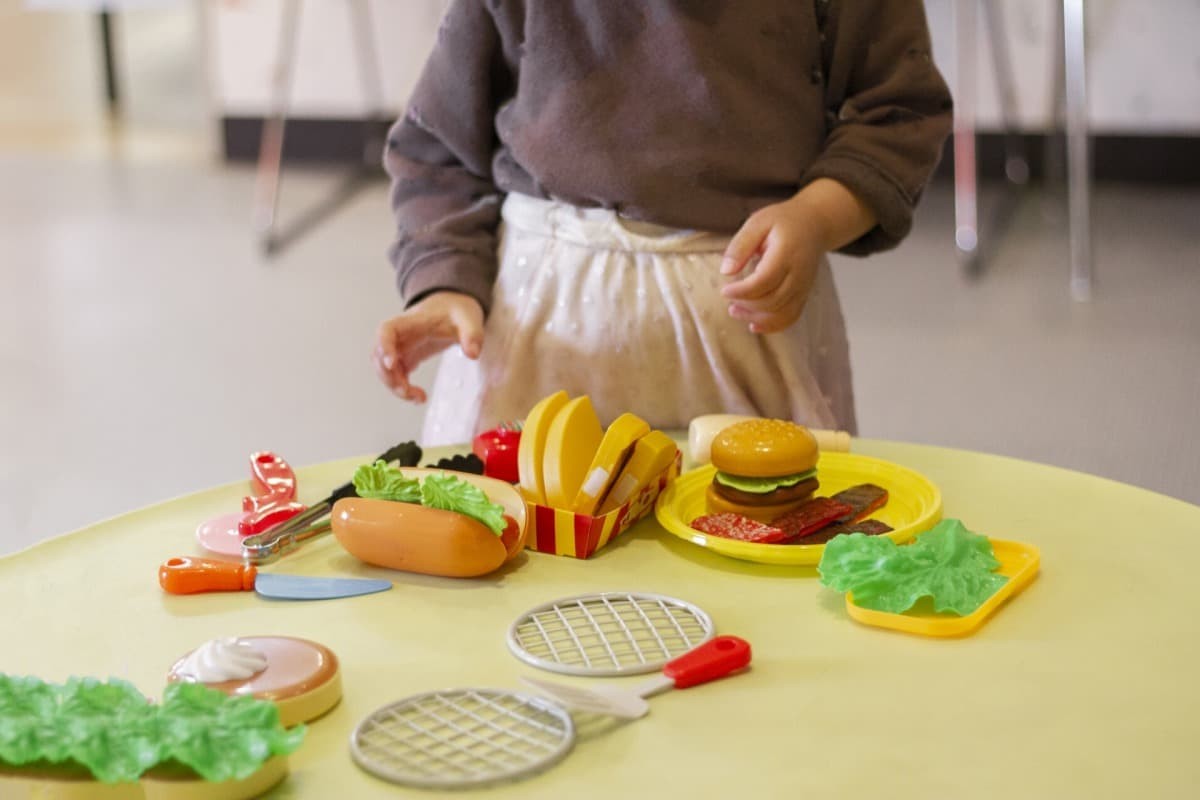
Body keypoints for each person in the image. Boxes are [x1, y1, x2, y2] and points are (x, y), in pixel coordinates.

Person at [373, 1, 952, 446]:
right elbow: (438, 147)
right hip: (536, 338)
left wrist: (816, 217)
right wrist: (445, 283)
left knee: (756, 562)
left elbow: (896, 115)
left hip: (750, 339)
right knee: (524, 565)